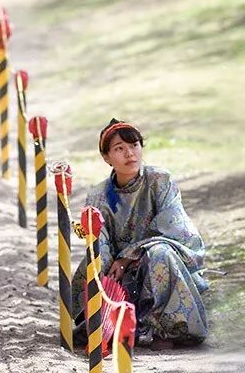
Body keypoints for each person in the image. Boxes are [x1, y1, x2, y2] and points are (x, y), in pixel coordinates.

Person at [73, 118, 208, 349]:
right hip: (122, 274)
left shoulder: (160, 181)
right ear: (106, 157)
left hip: (163, 265)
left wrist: (130, 256)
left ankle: (169, 329)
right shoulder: (98, 196)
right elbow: (100, 242)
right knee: (94, 260)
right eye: (119, 149)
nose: (130, 154)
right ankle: (101, 323)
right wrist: (109, 266)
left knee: (160, 252)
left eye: (134, 145)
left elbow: (173, 228)